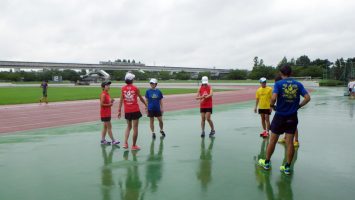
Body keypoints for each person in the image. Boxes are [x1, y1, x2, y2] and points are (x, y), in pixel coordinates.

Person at [258, 65, 311, 175]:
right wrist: (299, 106)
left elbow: (273, 98)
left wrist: (272, 105)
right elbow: (308, 98)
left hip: (280, 116)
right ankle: (287, 167)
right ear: (291, 73)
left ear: (281, 73)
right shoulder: (298, 84)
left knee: (272, 140)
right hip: (292, 116)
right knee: (290, 143)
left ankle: (267, 162)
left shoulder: (278, 84)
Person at [118, 72, 147, 150]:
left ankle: (125, 143)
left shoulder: (123, 88)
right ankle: (134, 145)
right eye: (133, 78)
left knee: (128, 127)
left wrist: (119, 110)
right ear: (132, 80)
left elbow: (121, 100)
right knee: (135, 128)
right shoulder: (135, 88)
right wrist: (146, 105)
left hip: (127, 111)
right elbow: (140, 98)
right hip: (135, 110)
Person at [100, 81, 120, 145]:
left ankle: (103, 140)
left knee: (105, 127)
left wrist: (111, 101)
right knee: (109, 127)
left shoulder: (107, 94)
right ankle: (113, 141)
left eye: (109, 85)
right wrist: (110, 104)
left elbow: (107, 103)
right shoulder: (103, 94)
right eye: (107, 85)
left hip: (107, 113)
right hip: (105, 113)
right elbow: (102, 104)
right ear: (103, 87)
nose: (108, 86)